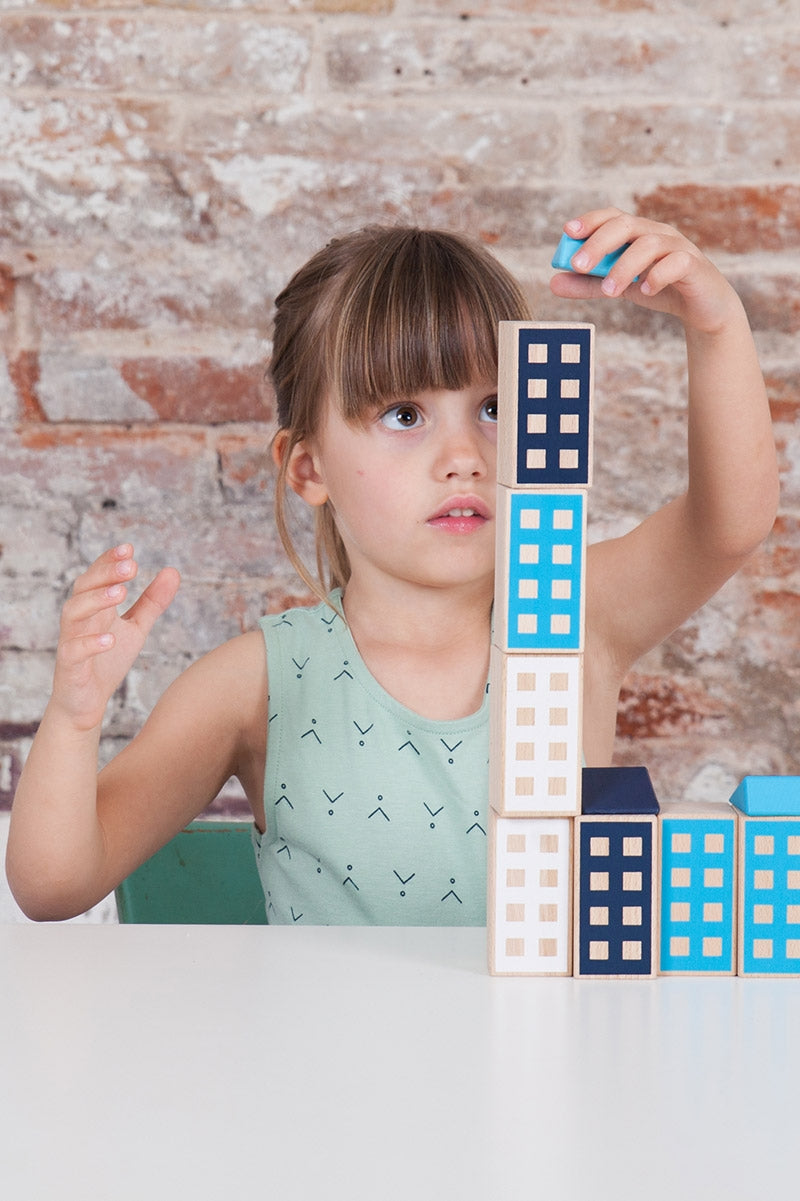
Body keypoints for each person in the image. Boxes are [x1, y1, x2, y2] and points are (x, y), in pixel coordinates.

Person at [6, 207, 779, 924]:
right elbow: (53, 884)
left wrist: (717, 322)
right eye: (405, 414)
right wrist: (73, 718)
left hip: (541, 1037)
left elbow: (730, 525)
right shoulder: (256, 683)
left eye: (494, 408)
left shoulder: (579, 616)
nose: (463, 456)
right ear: (309, 468)